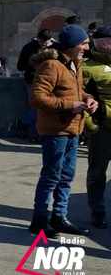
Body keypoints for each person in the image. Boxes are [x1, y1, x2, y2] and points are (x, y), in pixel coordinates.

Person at [29, 25, 98, 237]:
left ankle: (59, 217)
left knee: (67, 175)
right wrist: (70, 105)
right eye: (83, 43)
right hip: (55, 131)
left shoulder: (74, 64)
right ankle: (40, 220)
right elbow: (37, 97)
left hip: (73, 129)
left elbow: (76, 91)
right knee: (51, 175)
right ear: (72, 45)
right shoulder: (51, 65)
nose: (87, 47)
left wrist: (88, 99)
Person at [81, 25, 111, 229]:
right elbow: (79, 96)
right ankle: (97, 210)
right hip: (102, 129)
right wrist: (91, 123)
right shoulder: (87, 67)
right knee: (97, 172)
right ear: (101, 43)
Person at [17, 29, 54, 141]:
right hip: (39, 82)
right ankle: (34, 134)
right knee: (37, 108)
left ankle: (33, 132)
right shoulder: (30, 48)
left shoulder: (29, 47)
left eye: (45, 42)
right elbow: (20, 66)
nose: (43, 44)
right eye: (42, 42)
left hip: (39, 81)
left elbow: (20, 66)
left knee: (37, 107)